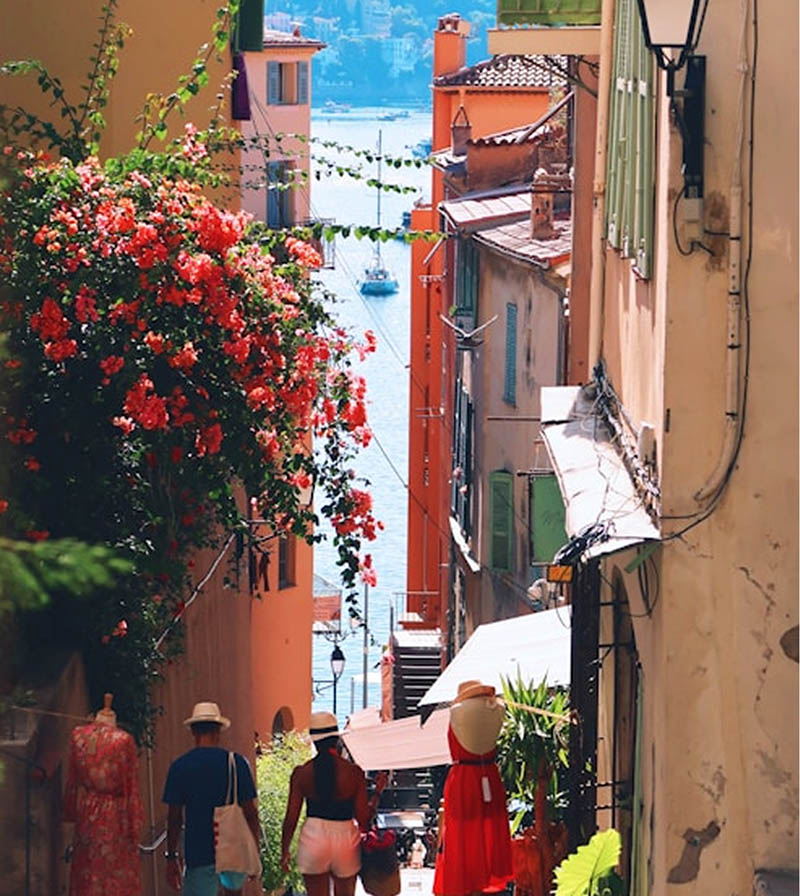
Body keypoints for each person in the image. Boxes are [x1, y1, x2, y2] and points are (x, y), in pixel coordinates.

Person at [281, 711, 386, 896]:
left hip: (313, 837)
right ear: (337, 739)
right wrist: (377, 792)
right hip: (346, 838)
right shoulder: (354, 773)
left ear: (314, 740)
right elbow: (363, 819)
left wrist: (284, 851)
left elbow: (291, 819)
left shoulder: (301, 774)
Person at [163, 701, 260, 896]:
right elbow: (250, 813)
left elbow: (174, 818)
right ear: (218, 731)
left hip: (198, 851)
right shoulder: (237, 763)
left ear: (193, 731)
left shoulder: (180, 767)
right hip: (232, 848)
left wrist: (172, 856)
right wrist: (254, 851)